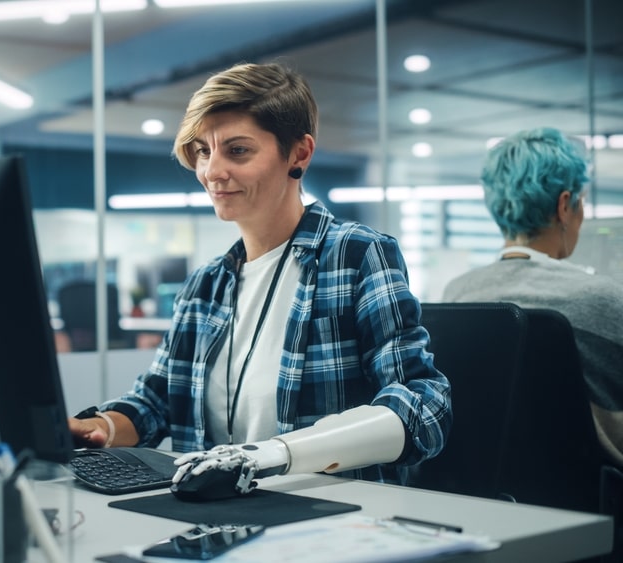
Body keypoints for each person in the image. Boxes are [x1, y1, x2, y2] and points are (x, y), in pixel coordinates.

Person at [68, 61, 452, 494]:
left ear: (299, 154)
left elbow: (423, 407)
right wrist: (97, 428)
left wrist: (276, 453)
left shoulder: (355, 255)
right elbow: (155, 403)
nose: (212, 171)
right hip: (209, 518)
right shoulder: (205, 285)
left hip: (328, 516)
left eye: (237, 150)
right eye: (203, 151)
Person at [442, 127, 623, 467]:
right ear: (565, 205)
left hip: (490, 497)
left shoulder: (459, 295)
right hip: (597, 504)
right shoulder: (606, 300)